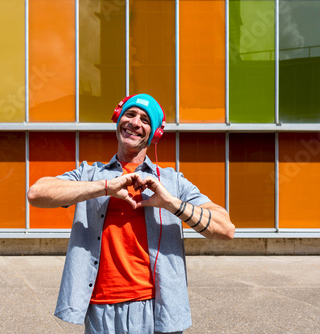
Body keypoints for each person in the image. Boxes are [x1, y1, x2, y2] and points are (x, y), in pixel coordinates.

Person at [27, 93, 235, 334]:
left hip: (158, 310)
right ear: (118, 120)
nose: (135, 122)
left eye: (145, 119)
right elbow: (36, 193)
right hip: (100, 310)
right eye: (130, 114)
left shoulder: (172, 181)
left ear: (155, 133)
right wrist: (105, 187)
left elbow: (226, 229)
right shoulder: (90, 173)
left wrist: (170, 203)